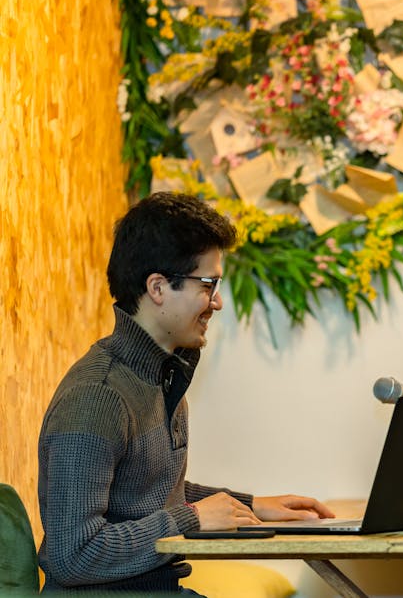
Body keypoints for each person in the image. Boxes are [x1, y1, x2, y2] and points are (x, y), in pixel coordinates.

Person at [37, 192, 334, 593]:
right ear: (158, 288)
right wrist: (192, 517)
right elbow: (72, 554)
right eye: (208, 284)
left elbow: (145, 492)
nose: (218, 301)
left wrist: (249, 506)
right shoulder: (97, 396)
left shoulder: (161, 375)